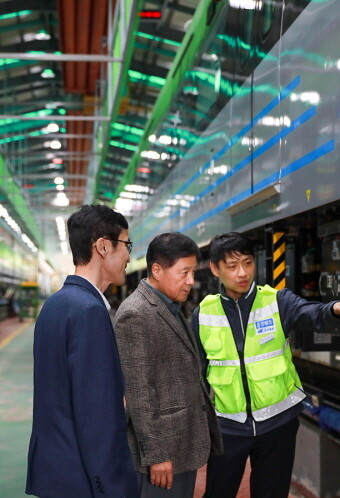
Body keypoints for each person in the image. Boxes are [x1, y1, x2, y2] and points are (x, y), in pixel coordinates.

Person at [191, 232, 340, 498]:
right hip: (227, 426)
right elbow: (198, 373)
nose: (242, 273)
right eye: (232, 266)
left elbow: (309, 312)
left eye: (248, 263)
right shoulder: (204, 314)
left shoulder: (276, 301)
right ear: (216, 269)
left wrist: (334, 310)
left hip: (277, 424)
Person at [26, 204, 138, 498]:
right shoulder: (88, 311)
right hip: (85, 481)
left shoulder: (55, 304)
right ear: (103, 246)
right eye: (127, 244)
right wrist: (113, 487)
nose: (129, 255)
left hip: (56, 473)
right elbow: (97, 416)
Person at [114, 232, 222, 498]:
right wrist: (157, 455)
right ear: (157, 270)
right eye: (184, 272)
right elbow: (139, 392)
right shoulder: (135, 314)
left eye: (193, 272)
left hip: (182, 445)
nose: (191, 281)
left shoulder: (169, 305)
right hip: (163, 455)